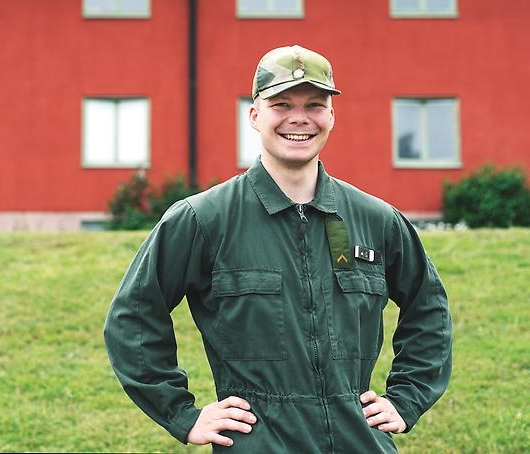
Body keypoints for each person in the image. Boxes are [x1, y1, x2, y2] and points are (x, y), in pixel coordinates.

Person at [104, 44, 453, 452]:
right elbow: (133, 317)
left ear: (331, 116)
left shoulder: (375, 219)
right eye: (281, 103)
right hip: (259, 442)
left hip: (360, 440)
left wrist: (406, 400)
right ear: (254, 115)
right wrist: (183, 414)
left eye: (315, 105)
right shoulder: (203, 219)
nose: (299, 118)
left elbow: (428, 308)